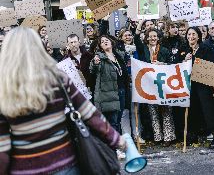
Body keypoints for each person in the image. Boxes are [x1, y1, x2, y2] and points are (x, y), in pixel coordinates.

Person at [0, 27, 125, 175]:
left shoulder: (4, 88)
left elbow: (3, 145)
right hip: (64, 164)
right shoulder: (58, 78)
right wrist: (116, 140)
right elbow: (89, 113)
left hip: (24, 168)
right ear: (38, 47)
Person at [135, 21, 176, 146]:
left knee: (165, 110)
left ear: (158, 38)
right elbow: (136, 39)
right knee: (152, 111)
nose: (152, 38)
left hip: (163, 83)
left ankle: (168, 137)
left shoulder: (164, 50)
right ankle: (158, 136)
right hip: (148, 84)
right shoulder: (143, 50)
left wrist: (162, 64)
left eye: (154, 36)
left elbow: (171, 65)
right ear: (146, 38)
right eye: (150, 36)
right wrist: (140, 24)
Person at [90, 35, 129, 135]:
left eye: (106, 40)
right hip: (108, 95)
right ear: (100, 46)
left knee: (118, 121)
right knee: (113, 123)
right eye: (102, 42)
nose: (105, 42)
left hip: (121, 91)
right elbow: (93, 69)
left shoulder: (119, 56)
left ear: (111, 42)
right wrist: (95, 63)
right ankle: (115, 147)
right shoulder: (99, 58)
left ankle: (117, 145)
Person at [117, 28, 145, 144]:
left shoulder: (137, 49)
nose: (128, 37)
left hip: (136, 82)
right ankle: (127, 137)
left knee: (135, 110)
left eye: (129, 35)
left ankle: (137, 135)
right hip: (124, 83)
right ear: (121, 38)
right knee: (125, 111)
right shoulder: (118, 50)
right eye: (125, 35)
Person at [64, 34, 94, 98]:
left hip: (92, 91)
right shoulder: (66, 60)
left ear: (79, 42)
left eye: (75, 42)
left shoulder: (89, 56)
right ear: (68, 44)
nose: (73, 44)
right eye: (71, 42)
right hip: (77, 94)